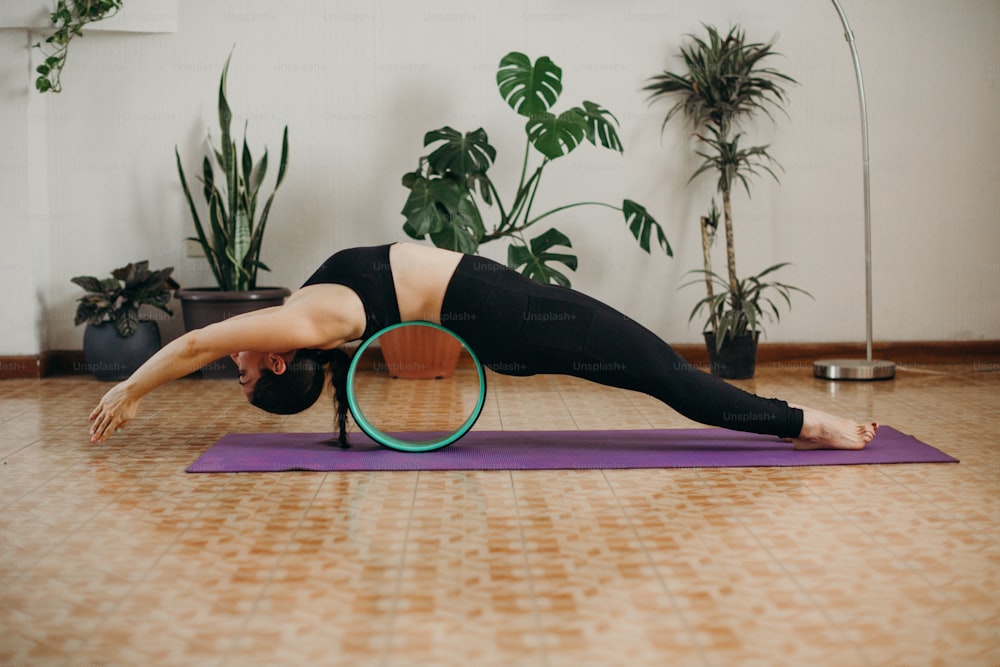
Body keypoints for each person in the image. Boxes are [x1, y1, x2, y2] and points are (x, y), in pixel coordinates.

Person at [89, 242, 878, 449]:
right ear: (283, 361)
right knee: (664, 374)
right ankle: (805, 421)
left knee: (658, 371)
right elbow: (196, 341)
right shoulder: (307, 325)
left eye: (241, 372)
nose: (238, 362)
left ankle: (795, 419)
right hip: (504, 314)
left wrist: (134, 388)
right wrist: (134, 388)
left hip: (500, 311)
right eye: (249, 375)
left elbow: (203, 341)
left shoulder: (307, 312)